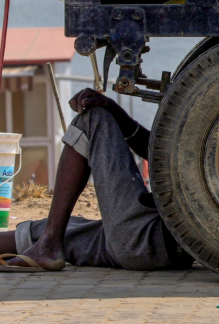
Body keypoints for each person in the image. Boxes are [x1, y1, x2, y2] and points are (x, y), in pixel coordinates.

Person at [0, 89, 192, 272]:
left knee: (92, 118)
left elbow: (160, 155)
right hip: (168, 250)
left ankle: (48, 245)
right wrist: (113, 109)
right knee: (52, 229)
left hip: (144, 236)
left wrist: (108, 109)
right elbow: (159, 152)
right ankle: (46, 242)